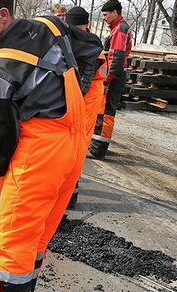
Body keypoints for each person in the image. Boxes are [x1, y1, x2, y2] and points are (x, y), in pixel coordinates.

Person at [0, 0, 99, 292]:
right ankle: (23, 291)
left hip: (40, 148)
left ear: (3, 15)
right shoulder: (50, 26)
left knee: (15, 230)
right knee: (40, 228)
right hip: (73, 141)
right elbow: (93, 48)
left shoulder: (0, 67)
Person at [65, 6, 106, 208]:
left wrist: (73, 98)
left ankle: (71, 193)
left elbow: (86, 79)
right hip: (79, 94)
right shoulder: (72, 37)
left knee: (78, 144)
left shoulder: (91, 43)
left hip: (87, 97)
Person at [89, 0, 132, 159]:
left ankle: (98, 148)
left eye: (106, 15)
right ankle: (96, 144)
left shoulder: (120, 29)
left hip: (114, 75)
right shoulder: (118, 28)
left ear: (115, 12)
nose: (104, 18)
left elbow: (117, 56)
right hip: (116, 74)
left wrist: (107, 79)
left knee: (105, 111)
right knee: (104, 109)